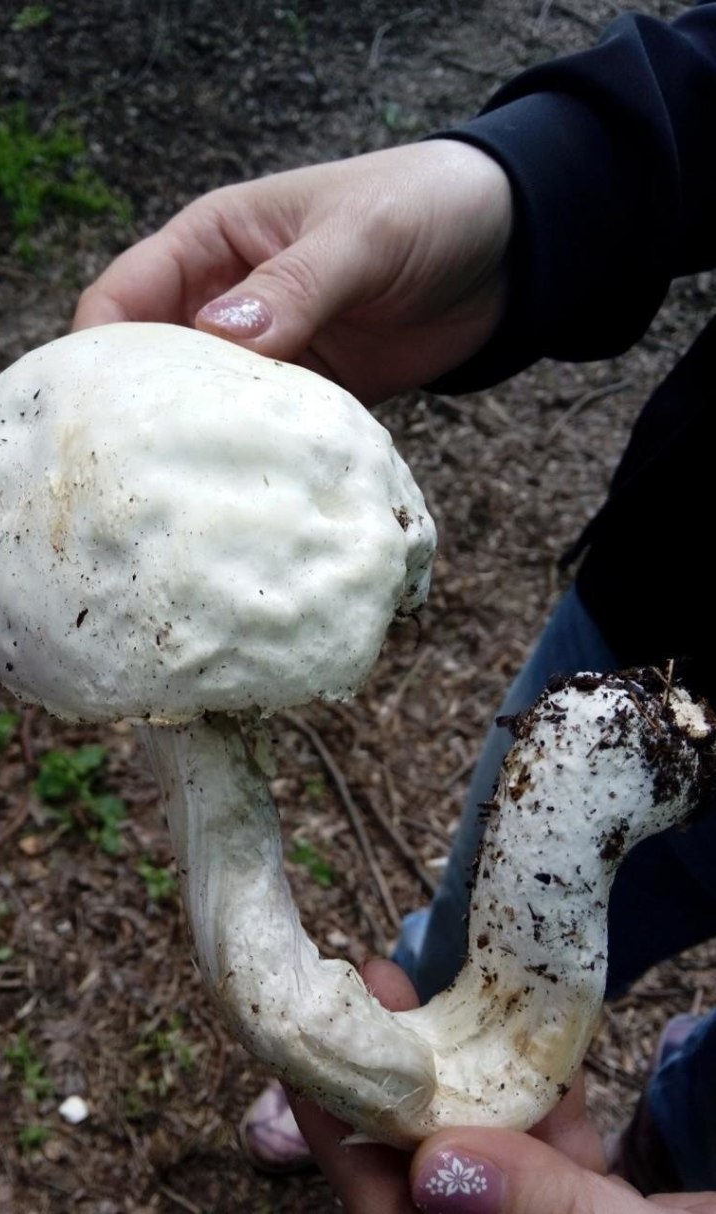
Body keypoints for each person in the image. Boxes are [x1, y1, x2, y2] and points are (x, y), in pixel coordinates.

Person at [74, 1, 716, 1208]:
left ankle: (675, 1133)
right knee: (481, 903)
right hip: (679, 595)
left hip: (657, 633)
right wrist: (527, 182)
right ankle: (478, 1029)